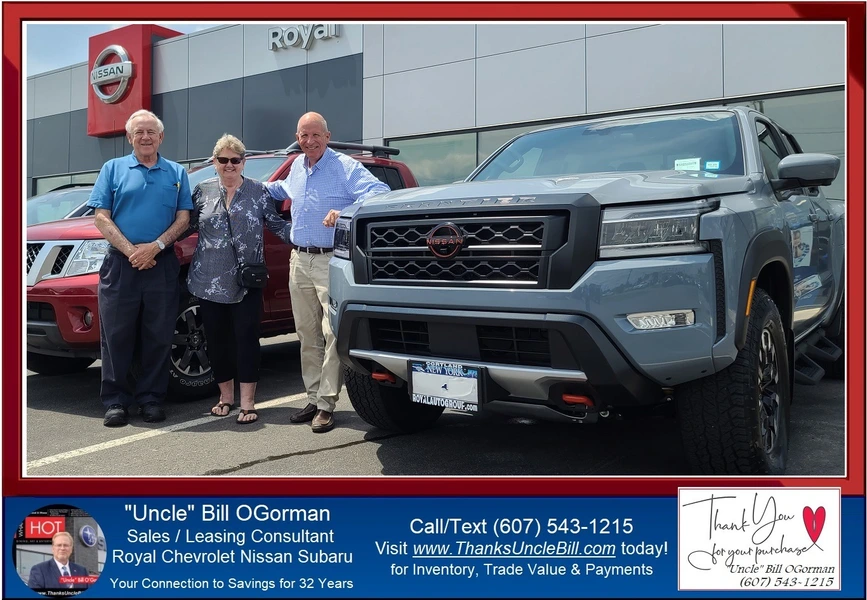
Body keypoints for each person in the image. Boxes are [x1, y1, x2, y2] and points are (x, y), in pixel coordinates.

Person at [264, 112, 390, 433]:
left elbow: (378, 190)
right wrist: (247, 183)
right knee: (306, 334)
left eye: (315, 135)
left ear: (327, 135)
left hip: (329, 261)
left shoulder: (343, 167)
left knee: (332, 332)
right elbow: (281, 190)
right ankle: (312, 395)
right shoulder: (297, 165)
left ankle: (326, 404)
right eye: (303, 136)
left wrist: (345, 211)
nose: (309, 141)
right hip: (299, 261)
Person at [87, 109, 193, 427]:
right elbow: (101, 216)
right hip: (121, 264)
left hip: (161, 265)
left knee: (158, 335)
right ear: (129, 137)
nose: (146, 137)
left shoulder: (176, 172)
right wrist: (132, 251)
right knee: (116, 336)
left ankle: (150, 399)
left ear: (161, 137)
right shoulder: (113, 169)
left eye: (151, 132)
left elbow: (184, 218)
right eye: (139, 132)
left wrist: (155, 247)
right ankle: (116, 401)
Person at [186, 134, 292, 424]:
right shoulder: (201, 192)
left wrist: (309, 237)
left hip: (247, 280)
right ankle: (225, 398)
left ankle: (248, 403)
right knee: (217, 342)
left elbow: (277, 225)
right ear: (214, 162)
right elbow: (186, 225)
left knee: (246, 340)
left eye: (235, 160)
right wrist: (154, 244)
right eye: (223, 160)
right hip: (208, 279)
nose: (229, 165)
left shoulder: (259, 191)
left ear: (243, 162)